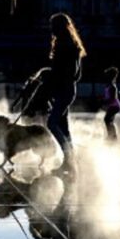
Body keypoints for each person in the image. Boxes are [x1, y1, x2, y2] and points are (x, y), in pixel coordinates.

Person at [35, 13, 86, 175]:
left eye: (53, 26)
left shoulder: (64, 45)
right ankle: (70, 162)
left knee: (52, 123)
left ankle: (70, 158)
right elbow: (77, 75)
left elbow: (60, 72)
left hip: (63, 89)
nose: (51, 29)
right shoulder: (73, 44)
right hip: (67, 89)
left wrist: (50, 81)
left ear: (59, 27)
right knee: (63, 126)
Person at [102, 67, 120, 141]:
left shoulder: (112, 85)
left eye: (107, 75)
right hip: (113, 105)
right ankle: (112, 136)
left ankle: (112, 136)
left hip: (114, 106)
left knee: (107, 119)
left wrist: (105, 103)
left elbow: (113, 98)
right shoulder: (109, 84)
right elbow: (107, 95)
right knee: (109, 120)